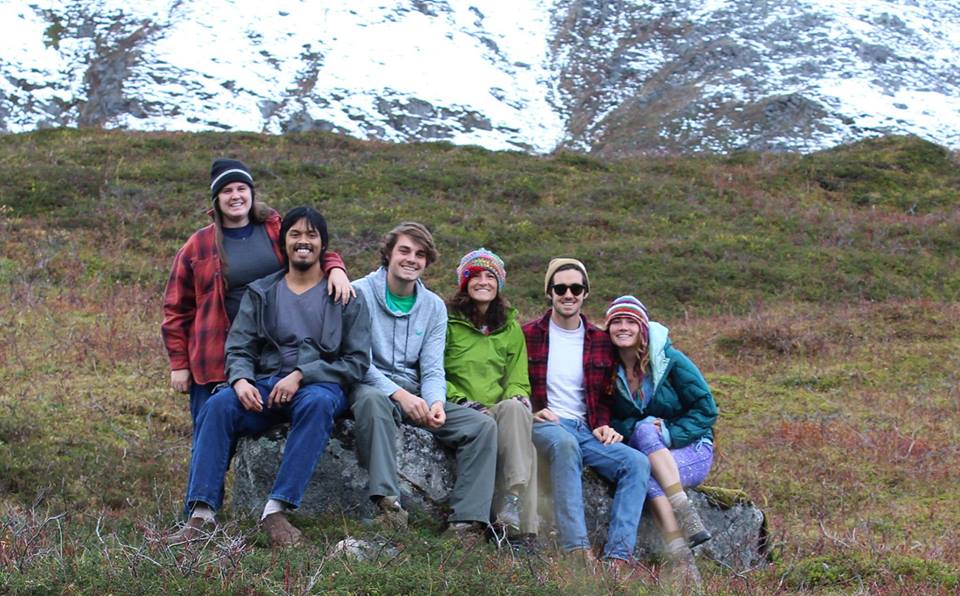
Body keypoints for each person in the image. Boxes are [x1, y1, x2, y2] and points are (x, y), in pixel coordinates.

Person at [175, 207, 371, 547]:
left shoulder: (345, 297)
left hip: (319, 386)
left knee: (319, 402)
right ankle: (201, 513)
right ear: (284, 243)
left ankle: (276, 510)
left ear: (323, 245)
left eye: (311, 235)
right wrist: (240, 381)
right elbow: (239, 348)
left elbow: (356, 362)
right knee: (219, 404)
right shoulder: (261, 292)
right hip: (265, 383)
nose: (303, 242)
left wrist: (301, 374)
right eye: (295, 235)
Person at [161, 158, 353, 428]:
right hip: (216, 355)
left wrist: (336, 268)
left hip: (270, 353)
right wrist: (179, 364)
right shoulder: (198, 245)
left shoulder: (274, 229)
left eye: (241, 188)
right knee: (210, 431)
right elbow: (176, 308)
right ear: (216, 199)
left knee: (261, 429)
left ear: (252, 193)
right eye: (227, 191)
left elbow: (307, 246)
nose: (235, 196)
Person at [349, 223, 497, 537]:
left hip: (415, 391)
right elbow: (357, 361)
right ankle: (389, 508)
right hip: (368, 385)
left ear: (427, 261)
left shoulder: (433, 307)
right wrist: (400, 395)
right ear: (388, 254)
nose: (411, 259)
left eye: (420, 254)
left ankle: (466, 523)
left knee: (481, 426)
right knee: (374, 403)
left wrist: (435, 403)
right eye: (404, 250)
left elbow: (431, 369)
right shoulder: (358, 292)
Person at [523, 258, 650, 572]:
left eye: (576, 288)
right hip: (546, 423)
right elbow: (511, 378)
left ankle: (618, 557)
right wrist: (531, 408)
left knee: (636, 462)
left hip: (586, 428)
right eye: (560, 287)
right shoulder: (527, 335)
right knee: (564, 445)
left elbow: (605, 392)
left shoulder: (598, 340)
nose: (568, 294)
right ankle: (576, 549)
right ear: (550, 292)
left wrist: (604, 424)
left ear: (585, 293)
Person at [605, 295, 717, 587]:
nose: (623, 327)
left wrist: (669, 432)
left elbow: (707, 409)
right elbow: (612, 418)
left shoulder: (670, 360)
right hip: (652, 454)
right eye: (617, 321)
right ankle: (683, 560)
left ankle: (683, 507)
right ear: (608, 328)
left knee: (646, 431)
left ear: (642, 327)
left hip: (692, 448)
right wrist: (635, 426)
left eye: (630, 321)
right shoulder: (607, 367)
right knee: (647, 471)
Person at [443, 248, 536, 537]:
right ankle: (522, 536)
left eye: (490, 276)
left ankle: (512, 501)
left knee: (516, 408)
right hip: (459, 408)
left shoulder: (510, 326)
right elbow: (434, 371)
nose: (483, 282)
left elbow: (517, 377)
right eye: (475, 276)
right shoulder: (448, 321)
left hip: (498, 412)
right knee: (528, 450)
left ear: (499, 284)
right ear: (464, 283)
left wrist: (517, 395)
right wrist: (462, 400)